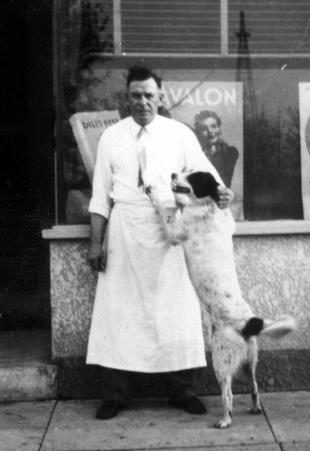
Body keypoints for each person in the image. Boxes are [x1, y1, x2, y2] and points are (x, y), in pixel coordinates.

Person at [86, 66, 233, 420]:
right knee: (118, 312)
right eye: (136, 95)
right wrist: (96, 243)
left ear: (160, 97)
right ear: (127, 97)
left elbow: (206, 175)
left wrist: (222, 193)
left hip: (170, 233)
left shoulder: (179, 134)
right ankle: (115, 395)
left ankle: (182, 390)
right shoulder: (112, 137)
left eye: (149, 95)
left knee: (175, 309)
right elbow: (99, 197)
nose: (142, 102)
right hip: (125, 231)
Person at [194, 110, 238, 188]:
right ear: (198, 133)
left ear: (219, 129)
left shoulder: (230, 152)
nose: (210, 131)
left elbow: (225, 183)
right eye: (204, 128)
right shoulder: (194, 154)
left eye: (213, 126)